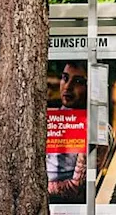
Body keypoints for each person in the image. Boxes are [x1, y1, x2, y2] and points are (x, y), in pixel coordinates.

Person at [48, 61, 88, 202]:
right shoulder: (49, 117)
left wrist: (34, 188)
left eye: (77, 81)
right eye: (65, 78)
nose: (68, 86)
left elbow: (75, 188)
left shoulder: (91, 126)